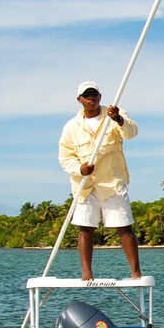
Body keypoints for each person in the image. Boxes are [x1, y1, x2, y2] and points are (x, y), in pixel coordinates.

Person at [58, 80, 142, 281]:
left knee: (124, 225)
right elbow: (65, 157)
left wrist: (119, 119)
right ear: (79, 100)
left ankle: (136, 272)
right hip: (85, 185)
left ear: (100, 96)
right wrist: (80, 169)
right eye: (87, 95)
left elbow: (132, 133)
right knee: (85, 227)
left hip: (112, 181)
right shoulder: (71, 126)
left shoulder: (114, 113)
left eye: (94, 94)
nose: (91, 98)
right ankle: (87, 273)